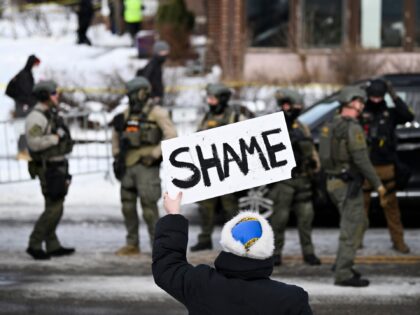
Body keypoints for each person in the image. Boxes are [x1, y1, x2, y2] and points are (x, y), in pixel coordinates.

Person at [152, 192, 313, 315]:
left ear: (227, 243)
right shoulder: (292, 299)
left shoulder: (201, 284)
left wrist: (173, 215)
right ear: (268, 248)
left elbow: (167, 266)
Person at [319, 86, 388, 287]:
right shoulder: (352, 128)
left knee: (361, 223)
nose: (362, 105)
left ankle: (343, 262)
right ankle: (342, 273)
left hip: (334, 182)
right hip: (347, 185)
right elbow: (362, 160)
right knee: (351, 228)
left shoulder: (330, 124)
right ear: (353, 102)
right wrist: (379, 185)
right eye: (360, 101)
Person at [112, 76, 177, 256]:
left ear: (142, 93)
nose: (130, 97)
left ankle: (158, 247)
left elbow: (171, 135)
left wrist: (155, 154)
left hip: (147, 165)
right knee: (127, 205)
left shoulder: (157, 113)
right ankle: (132, 243)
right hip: (128, 164)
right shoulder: (126, 114)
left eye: (133, 94)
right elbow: (116, 135)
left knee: (149, 207)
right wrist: (116, 154)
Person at [189, 83, 248, 252]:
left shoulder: (235, 117)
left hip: (228, 170)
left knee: (230, 208)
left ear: (222, 99)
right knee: (205, 207)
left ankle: (238, 240)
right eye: (209, 99)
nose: (210, 102)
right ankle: (205, 238)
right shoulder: (206, 117)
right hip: (209, 170)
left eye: (213, 99)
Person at [359, 79, 414, 253]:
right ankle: (355, 241)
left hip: (386, 166)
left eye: (379, 97)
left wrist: (394, 96)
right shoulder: (361, 111)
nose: (376, 100)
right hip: (365, 166)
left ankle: (398, 241)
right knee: (360, 207)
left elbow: (408, 116)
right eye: (372, 97)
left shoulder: (389, 113)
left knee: (391, 207)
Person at [268, 89, 321, 266]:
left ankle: (308, 252)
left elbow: (312, 151)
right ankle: (275, 253)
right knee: (279, 220)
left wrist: (314, 166)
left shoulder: (301, 127)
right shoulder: (273, 126)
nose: (296, 109)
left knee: (306, 219)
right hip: (284, 181)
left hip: (303, 179)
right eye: (294, 106)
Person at [25, 80, 74, 260]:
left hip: (57, 166)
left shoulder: (49, 113)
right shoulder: (37, 117)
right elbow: (34, 143)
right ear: (45, 95)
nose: (57, 95)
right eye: (53, 93)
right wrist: (54, 138)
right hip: (48, 168)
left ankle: (52, 244)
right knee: (54, 208)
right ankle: (34, 243)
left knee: (55, 207)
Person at [5, 54, 40, 160]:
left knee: (29, 128)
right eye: (36, 64)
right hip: (23, 106)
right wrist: (33, 102)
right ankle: (22, 151)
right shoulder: (25, 75)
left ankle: (25, 150)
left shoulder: (26, 74)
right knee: (24, 128)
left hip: (25, 105)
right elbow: (26, 93)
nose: (37, 67)